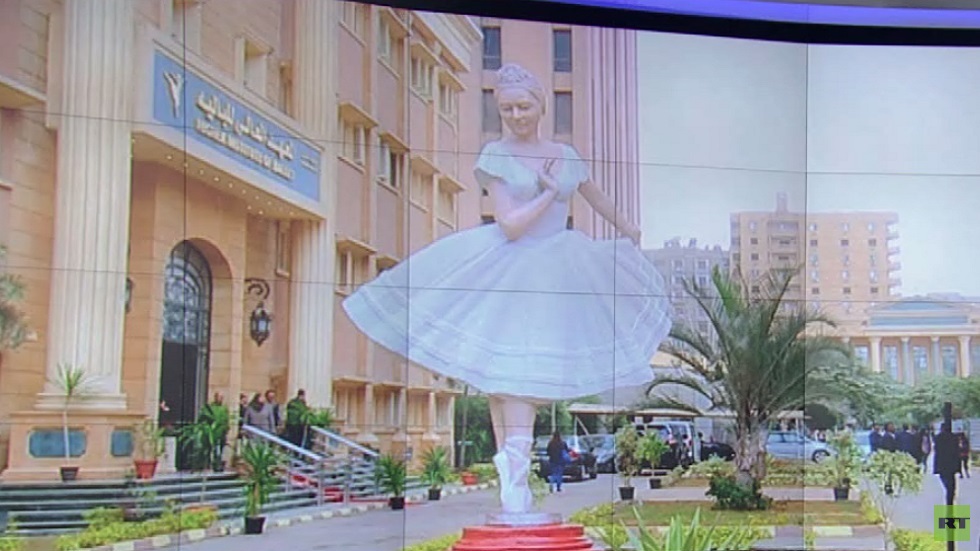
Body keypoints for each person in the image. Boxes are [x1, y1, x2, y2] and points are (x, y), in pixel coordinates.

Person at [342, 63, 673, 516]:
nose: (516, 116)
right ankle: (512, 482)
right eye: (507, 109)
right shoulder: (496, 154)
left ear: (540, 105)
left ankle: (513, 480)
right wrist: (547, 193)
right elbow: (511, 225)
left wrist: (629, 229)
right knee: (506, 381)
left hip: (557, 270)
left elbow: (597, 198)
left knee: (516, 378)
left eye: (523, 106)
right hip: (510, 266)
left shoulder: (564, 154)